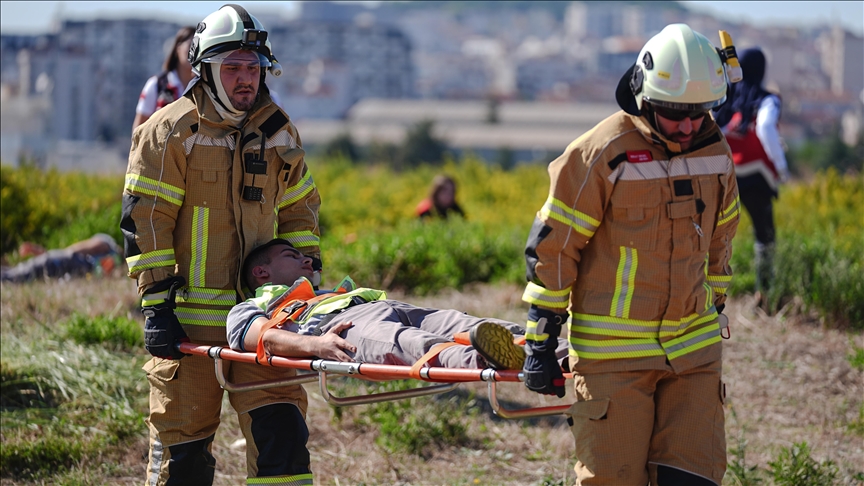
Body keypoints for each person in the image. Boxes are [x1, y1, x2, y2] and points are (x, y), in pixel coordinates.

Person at [520, 24, 740, 486]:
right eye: (675, 114)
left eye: (698, 113)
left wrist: (715, 301)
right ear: (643, 95)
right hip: (614, 360)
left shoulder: (715, 150)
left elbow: (722, 234)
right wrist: (541, 339)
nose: (688, 126)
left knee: (694, 479)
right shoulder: (602, 153)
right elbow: (555, 248)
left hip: (694, 352)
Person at [121, 5, 322, 485]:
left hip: (266, 326)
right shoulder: (169, 132)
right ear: (204, 69)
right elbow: (147, 220)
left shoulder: (278, 133)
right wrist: (156, 306)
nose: (244, 78)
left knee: (285, 448)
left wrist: (306, 285)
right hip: (190, 330)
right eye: (231, 67)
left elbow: (301, 213)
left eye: (251, 67)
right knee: (182, 461)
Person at [227, 238, 560, 372]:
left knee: (462, 322)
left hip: (385, 307)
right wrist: (317, 345)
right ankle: (487, 357)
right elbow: (259, 338)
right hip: (344, 329)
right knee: (410, 344)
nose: (306, 263)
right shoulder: (256, 305)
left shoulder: (319, 291)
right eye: (292, 256)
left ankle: (562, 352)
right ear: (262, 272)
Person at [712, 47, 789, 307]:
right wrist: (781, 166)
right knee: (764, 236)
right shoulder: (768, 99)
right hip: (758, 178)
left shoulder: (726, 98)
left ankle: (708, 295)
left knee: (713, 237)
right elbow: (767, 128)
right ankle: (763, 294)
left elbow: (716, 130)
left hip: (727, 176)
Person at [132, 26, 196, 131]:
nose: (194, 53)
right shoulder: (156, 85)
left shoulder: (203, 87)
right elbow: (138, 130)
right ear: (178, 48)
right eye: (191, 46)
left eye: (199, 48)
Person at [1, 233, 122, 283]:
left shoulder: (107, 244)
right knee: (13, 276)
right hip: (58, 262)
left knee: (13, 275)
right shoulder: (109, 246)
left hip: (57, 261)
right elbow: (69, 253)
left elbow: (72, 251)